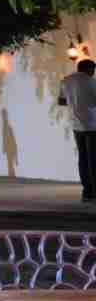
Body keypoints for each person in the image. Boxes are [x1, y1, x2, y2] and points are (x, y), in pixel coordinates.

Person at [59, 59, 96, 202]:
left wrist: (74, 101)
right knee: (93, 159)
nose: (93, 72)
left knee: (83, 158)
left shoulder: (66, 80)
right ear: (87, 69)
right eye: (93, 69)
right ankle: (94, 192)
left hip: (76, 125)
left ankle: (87, 192)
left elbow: (61, 101)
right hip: (92, 125)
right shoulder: (91, 82)